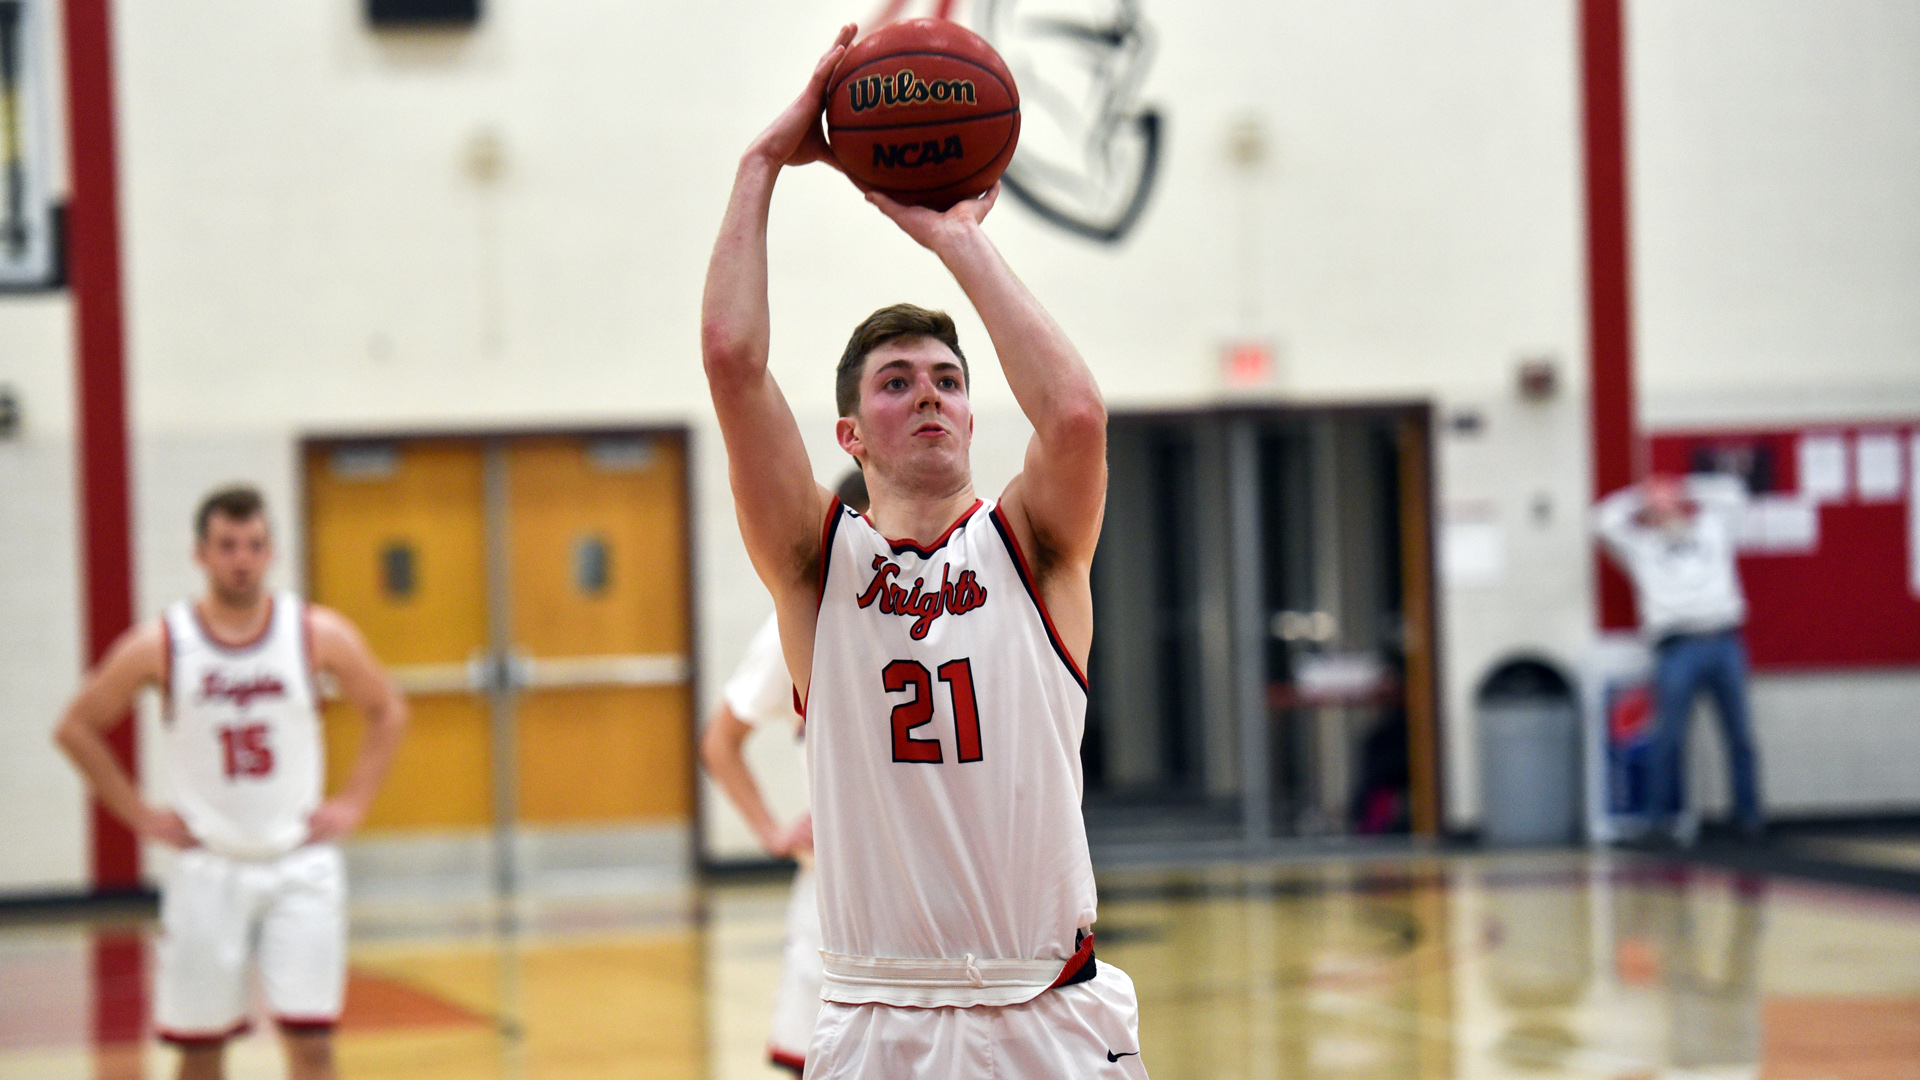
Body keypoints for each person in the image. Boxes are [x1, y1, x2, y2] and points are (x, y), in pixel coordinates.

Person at [699, 25, 1147, 1079]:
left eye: (948, 378)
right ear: (850, 435)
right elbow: (731, 360)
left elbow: (1076, 414)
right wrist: (760, 163)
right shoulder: (818, 567)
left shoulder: (1030, 546)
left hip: (1048, 1009)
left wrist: (958, 238)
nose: (930, 395)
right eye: (897, 383)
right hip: (876, 1016)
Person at [54, 485, 407, 1080]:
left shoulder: (315, 633)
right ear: (201, 554)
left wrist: (354, 800)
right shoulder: (163, 644)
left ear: (271, 553)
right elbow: (76, 728)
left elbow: (387, 710)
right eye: (227, 545)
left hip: (298, 863)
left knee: (314, 1046)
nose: (241, 557)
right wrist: (140, 814)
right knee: (199, 1050)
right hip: (208, 867)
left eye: (254, 545)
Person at [700, 470, 868, 1076]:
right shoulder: (798, 625)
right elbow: (720, 741)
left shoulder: (946, 618)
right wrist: (772, 831)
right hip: (833, 900)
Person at [1595, 472, 1763, 843]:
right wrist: (1642, 495)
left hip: (1724, 640)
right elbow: (1603, 520)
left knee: (1739, 736)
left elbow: (1735, 494)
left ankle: (1748, 818)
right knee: (1667, 737)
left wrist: (1682, 488)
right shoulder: (1640, 546)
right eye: (1657, 508)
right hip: (1676, 647)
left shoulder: (1711, 529)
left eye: (1671, 505)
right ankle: (1657, 822)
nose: (1666, 511)